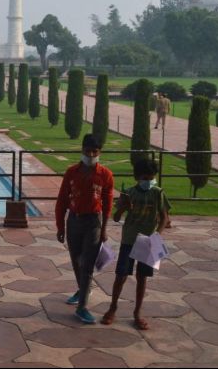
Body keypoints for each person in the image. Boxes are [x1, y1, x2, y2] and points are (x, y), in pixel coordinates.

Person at [101, 158, 170, 330]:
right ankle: (113, 307)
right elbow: (116, 218)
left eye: (151, 177)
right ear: (137, 177)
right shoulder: (130, 193)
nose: (148, 181)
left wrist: (157, 236)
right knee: (121, 275)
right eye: (145, 178)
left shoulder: (158, 193)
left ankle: (138, 312)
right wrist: (124, 207)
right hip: (129, 239)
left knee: (142, 277)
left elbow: (164, 218)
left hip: (148, 240)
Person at [55, 133, 115, 324]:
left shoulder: (105, 175)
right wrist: (60, 226)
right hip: (74, 220)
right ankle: (82, 290)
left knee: (87, 264)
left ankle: (82, 307)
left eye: (94, 151)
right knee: (76, 260)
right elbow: (62, 200)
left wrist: (104, 229)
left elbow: (107, 204)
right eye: (87, 151)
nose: (90, 155)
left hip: (93, 223)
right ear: (82, 150)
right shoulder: (72, 172)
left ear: (100, 152)